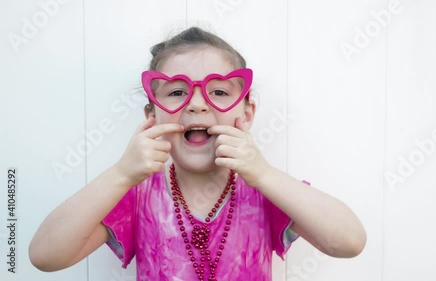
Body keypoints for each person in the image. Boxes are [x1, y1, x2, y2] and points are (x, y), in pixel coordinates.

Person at [29, 26, 366, 281]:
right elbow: (46, 256)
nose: (197, 104)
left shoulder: (267, 192)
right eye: (177, 92)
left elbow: (349, 242)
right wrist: (120, 174)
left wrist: (264, 175)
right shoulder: (135, 196)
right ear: (152, 115)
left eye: (218, 91)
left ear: (247, 113)